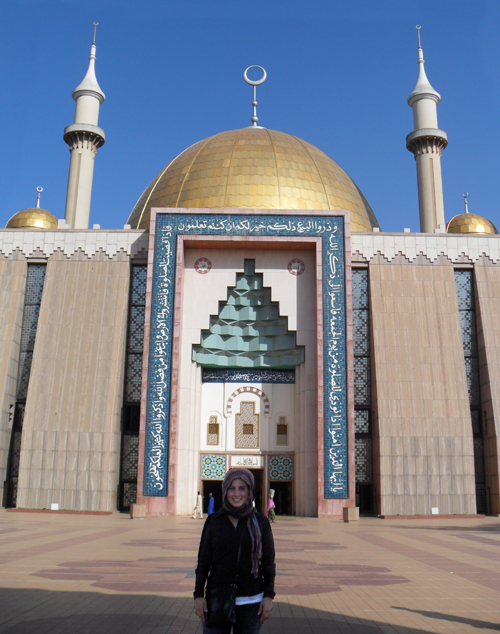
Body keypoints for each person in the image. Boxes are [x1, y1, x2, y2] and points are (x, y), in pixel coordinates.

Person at [194, 468, 275, 633]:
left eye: (242, 488)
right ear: (225, 491)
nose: (236, 494)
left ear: (249, 491)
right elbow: (203, 561)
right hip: (217, 599)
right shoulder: (214, 521)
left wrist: (268, 596)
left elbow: (268, 563)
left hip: (251, 602)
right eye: (231, 488)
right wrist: (198, 595)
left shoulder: (260, 522)